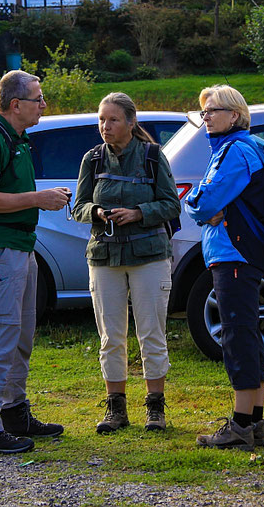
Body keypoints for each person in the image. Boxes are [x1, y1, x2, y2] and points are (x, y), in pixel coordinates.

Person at [0, 70, 70, 454]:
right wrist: (37, 199)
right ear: (15, 105)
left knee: (20, 336)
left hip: (20, 248)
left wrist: (35, 201)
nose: (43, 104)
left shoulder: (17, 139)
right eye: (38, 98)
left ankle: (14, 412)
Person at [72, 92, 181, 434]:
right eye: (101, 120)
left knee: (151, 333)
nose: (105, 126)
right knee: (111, 337)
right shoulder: (91, 160)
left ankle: (155, 409)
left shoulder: (152, 157)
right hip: (104, 257)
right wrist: (97, 212)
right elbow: (78, 207)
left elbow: (172, 205)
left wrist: (138, 213)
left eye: (113, 119)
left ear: (131, 123)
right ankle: (115, 409)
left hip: (149, 256)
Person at [184, 85, 264, 451]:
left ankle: (239, 426)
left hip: (233, 255)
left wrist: (196, 201)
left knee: (237, 337)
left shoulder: (235, 152)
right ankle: (255, 423)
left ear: (233, 115)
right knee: (246, 334)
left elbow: (203, 204)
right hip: (239, 255)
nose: (205, 119)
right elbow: (204, 201)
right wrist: (201, 200)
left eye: (211, 112)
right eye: (203, 112)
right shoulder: (236, 149)